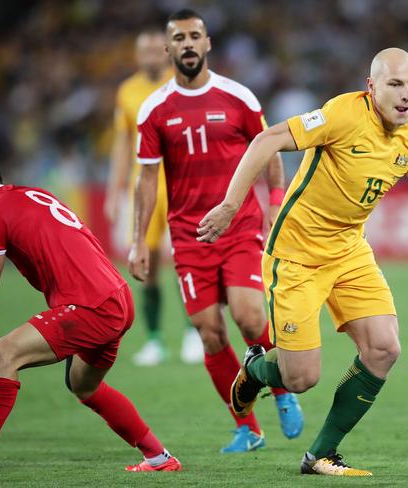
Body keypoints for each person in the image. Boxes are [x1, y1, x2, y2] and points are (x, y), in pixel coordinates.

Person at [198, 48, 408, 475]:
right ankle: (256, 370)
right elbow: (267, 139)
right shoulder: (342, 115)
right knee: (300, 379)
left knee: (384, 348)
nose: (407, 95)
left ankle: (320, 455)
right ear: (372, 87)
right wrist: (229, 205)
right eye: (395, 84)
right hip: (296, 256)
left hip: (350, 252)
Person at [0, 157, 182, 481]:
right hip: (117, 296)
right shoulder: (34, 195)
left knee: (3, 354)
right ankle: (159, 456)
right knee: (84, 385)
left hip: (91, 305)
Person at [128, 8, 304, 453]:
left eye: (194, 36)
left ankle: (282, 393)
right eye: (179, 38)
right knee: (209, 331)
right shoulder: (153, 110)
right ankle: (247, 426)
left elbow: (270, 149)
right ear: (168, 49)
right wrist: (138, 242)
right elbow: (147, 179)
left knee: (248, 315)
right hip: (189, 236)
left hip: (241, 225)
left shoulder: (238, 97)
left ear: (207, 44)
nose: (187, 44)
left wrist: (275, 202)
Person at [105, 29, 203, 366]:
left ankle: (193, 333)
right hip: (144, 185)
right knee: (145, 264)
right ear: (137, 56)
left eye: (153, 50)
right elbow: (121, 144)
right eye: (142, 51)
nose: (149, 56)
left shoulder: (182, 85)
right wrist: (114, 191)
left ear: (165, 52)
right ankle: (154, 340)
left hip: (179, 183)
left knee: (183, 260)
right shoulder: (127, 92)